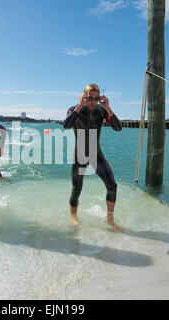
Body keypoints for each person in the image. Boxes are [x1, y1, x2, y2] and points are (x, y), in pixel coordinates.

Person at [63, 84, 123, 232]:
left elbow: (118, 127)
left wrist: (108, 107)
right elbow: (66, 125)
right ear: (84, 96)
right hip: (80, 154)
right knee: (77, 189)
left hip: (96, 154)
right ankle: (74, 217)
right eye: (90, 98)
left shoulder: (101, 111)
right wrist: (79, 105)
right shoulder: (74, 109)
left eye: (96, 99)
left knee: (112, 185)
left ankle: (110, 220)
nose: (92, 102)